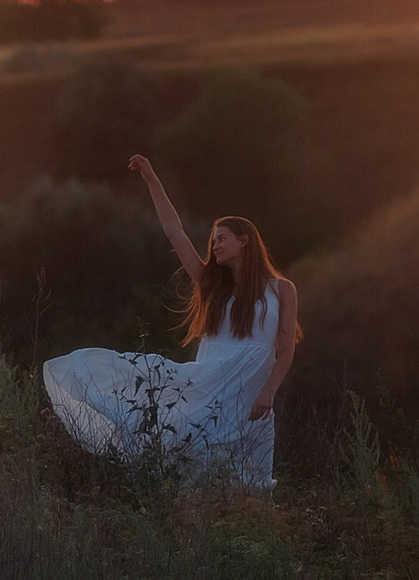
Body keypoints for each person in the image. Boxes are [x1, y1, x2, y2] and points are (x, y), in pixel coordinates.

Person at [42, 154, 300, 488]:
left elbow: (287, 349)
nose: (215, 245)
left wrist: (269, 390)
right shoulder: (212, 286)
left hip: (253, 397)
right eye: (213, 240)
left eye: (222, 238)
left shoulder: (281, 289)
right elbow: (174, 231)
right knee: (197, 467)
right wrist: (152, 180)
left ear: (244, 241)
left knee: (252, 480)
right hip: (210, 386)